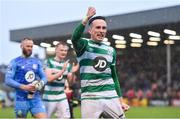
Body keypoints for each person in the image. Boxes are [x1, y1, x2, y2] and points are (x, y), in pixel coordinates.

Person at [71, 7, 130, 118]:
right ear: (90, 30)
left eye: (104, 28)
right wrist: (86, 18)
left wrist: (120, 101)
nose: (101, 31)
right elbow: (74, 38)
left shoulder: (111, 50)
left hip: (110, 96)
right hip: (90, 97)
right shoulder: (84, 45)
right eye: (98, 27)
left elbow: (114, 76)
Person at [5, 37, 47, 119]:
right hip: (21, 100)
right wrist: (24, 87)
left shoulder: (37, 62)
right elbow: (8, 80)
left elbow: (44, 77)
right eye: (28, 46)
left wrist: (40, 84)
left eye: (31, 46)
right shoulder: (14, 62)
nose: (30, 48)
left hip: (36, 99)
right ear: (21, 46)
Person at [42, 41, 78, 119]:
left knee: (66, 117)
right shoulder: (48, 62)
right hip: (49, 97)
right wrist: (62, 71)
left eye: (65, 51)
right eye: (61, 50)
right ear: (56, 50)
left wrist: (72, 73)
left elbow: (70, 83)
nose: (64, 52)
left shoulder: (67, 65)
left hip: (61, 96)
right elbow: (49, 79)